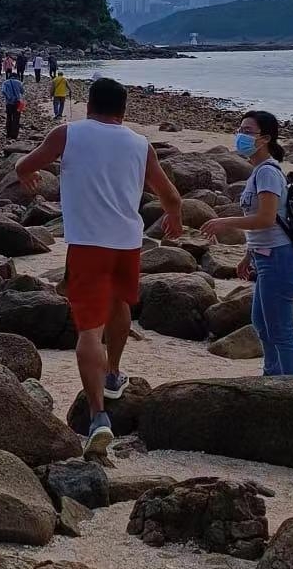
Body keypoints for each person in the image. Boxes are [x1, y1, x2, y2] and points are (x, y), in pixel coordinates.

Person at [16, 77, 183, 454]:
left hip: (88, 244)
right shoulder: (140, 144)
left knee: (89, 332)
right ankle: (113, 373)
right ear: (123, 110)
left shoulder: (67, 134)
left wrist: (27, 175)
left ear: (89, 105)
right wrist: (174, 218)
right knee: (119, 303)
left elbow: (25, 164)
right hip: (127, 243)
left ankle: (98, 417)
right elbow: (171, 196)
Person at [200, 109, 293, 376]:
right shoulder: (259, 171)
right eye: (240, 130)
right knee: (263, 325)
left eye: (248, 132)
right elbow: (268, 221)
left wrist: (225, 222)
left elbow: (266, 219)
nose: (241, 136)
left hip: (280, 258)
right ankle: (272, 379)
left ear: (265, 138)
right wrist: (249, 256)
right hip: (267, 257)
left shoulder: (267, 172)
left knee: (281, 332)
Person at [1, 67, 25, 139]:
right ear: (16, 77)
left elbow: (3, 91)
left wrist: (8, 97)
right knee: (16, 118)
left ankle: (8, 134)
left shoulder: (5, 82)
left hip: (9, 103)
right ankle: (14, 135)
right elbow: (22, 92)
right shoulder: (19, 82)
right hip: (18, 103)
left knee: (9, 117)